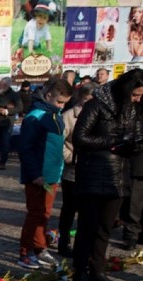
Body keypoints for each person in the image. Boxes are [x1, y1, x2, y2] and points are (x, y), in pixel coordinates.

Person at [71, 69, 143, 281]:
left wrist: (134, 143)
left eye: (140, 96)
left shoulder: (134, 110)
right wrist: (113, 140)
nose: (137, 99)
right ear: (125, 90)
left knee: (105, 228)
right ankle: (79, 273)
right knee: (87, 227)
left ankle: (97, 270)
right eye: (135, 95)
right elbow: (80, 137)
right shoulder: (97, 104)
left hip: (118, 176)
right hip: (93, 174)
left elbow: (136, 136)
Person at [16, 77, 73, 270]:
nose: (61, 106)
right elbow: (25, 147)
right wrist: (34, 174)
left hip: (52, 175)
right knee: (35, 212)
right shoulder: (36, 116)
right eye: (59, 102)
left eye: (65, 103)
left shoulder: (55, 115)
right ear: (49, 95)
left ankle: (40, 248)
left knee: (45, 213)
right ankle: (25, 252)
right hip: (38, 176)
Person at [58, 82, 97, 258]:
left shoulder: (99, 114)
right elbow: (59, 141)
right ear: (80, 97)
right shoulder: (68, 115)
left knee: (87, 211)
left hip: (92, 170)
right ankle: (63, 241)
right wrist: (69, 158)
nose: (88, 102)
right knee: (69, 209)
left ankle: (84, 244)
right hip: (72, 170)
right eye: (86, 99)